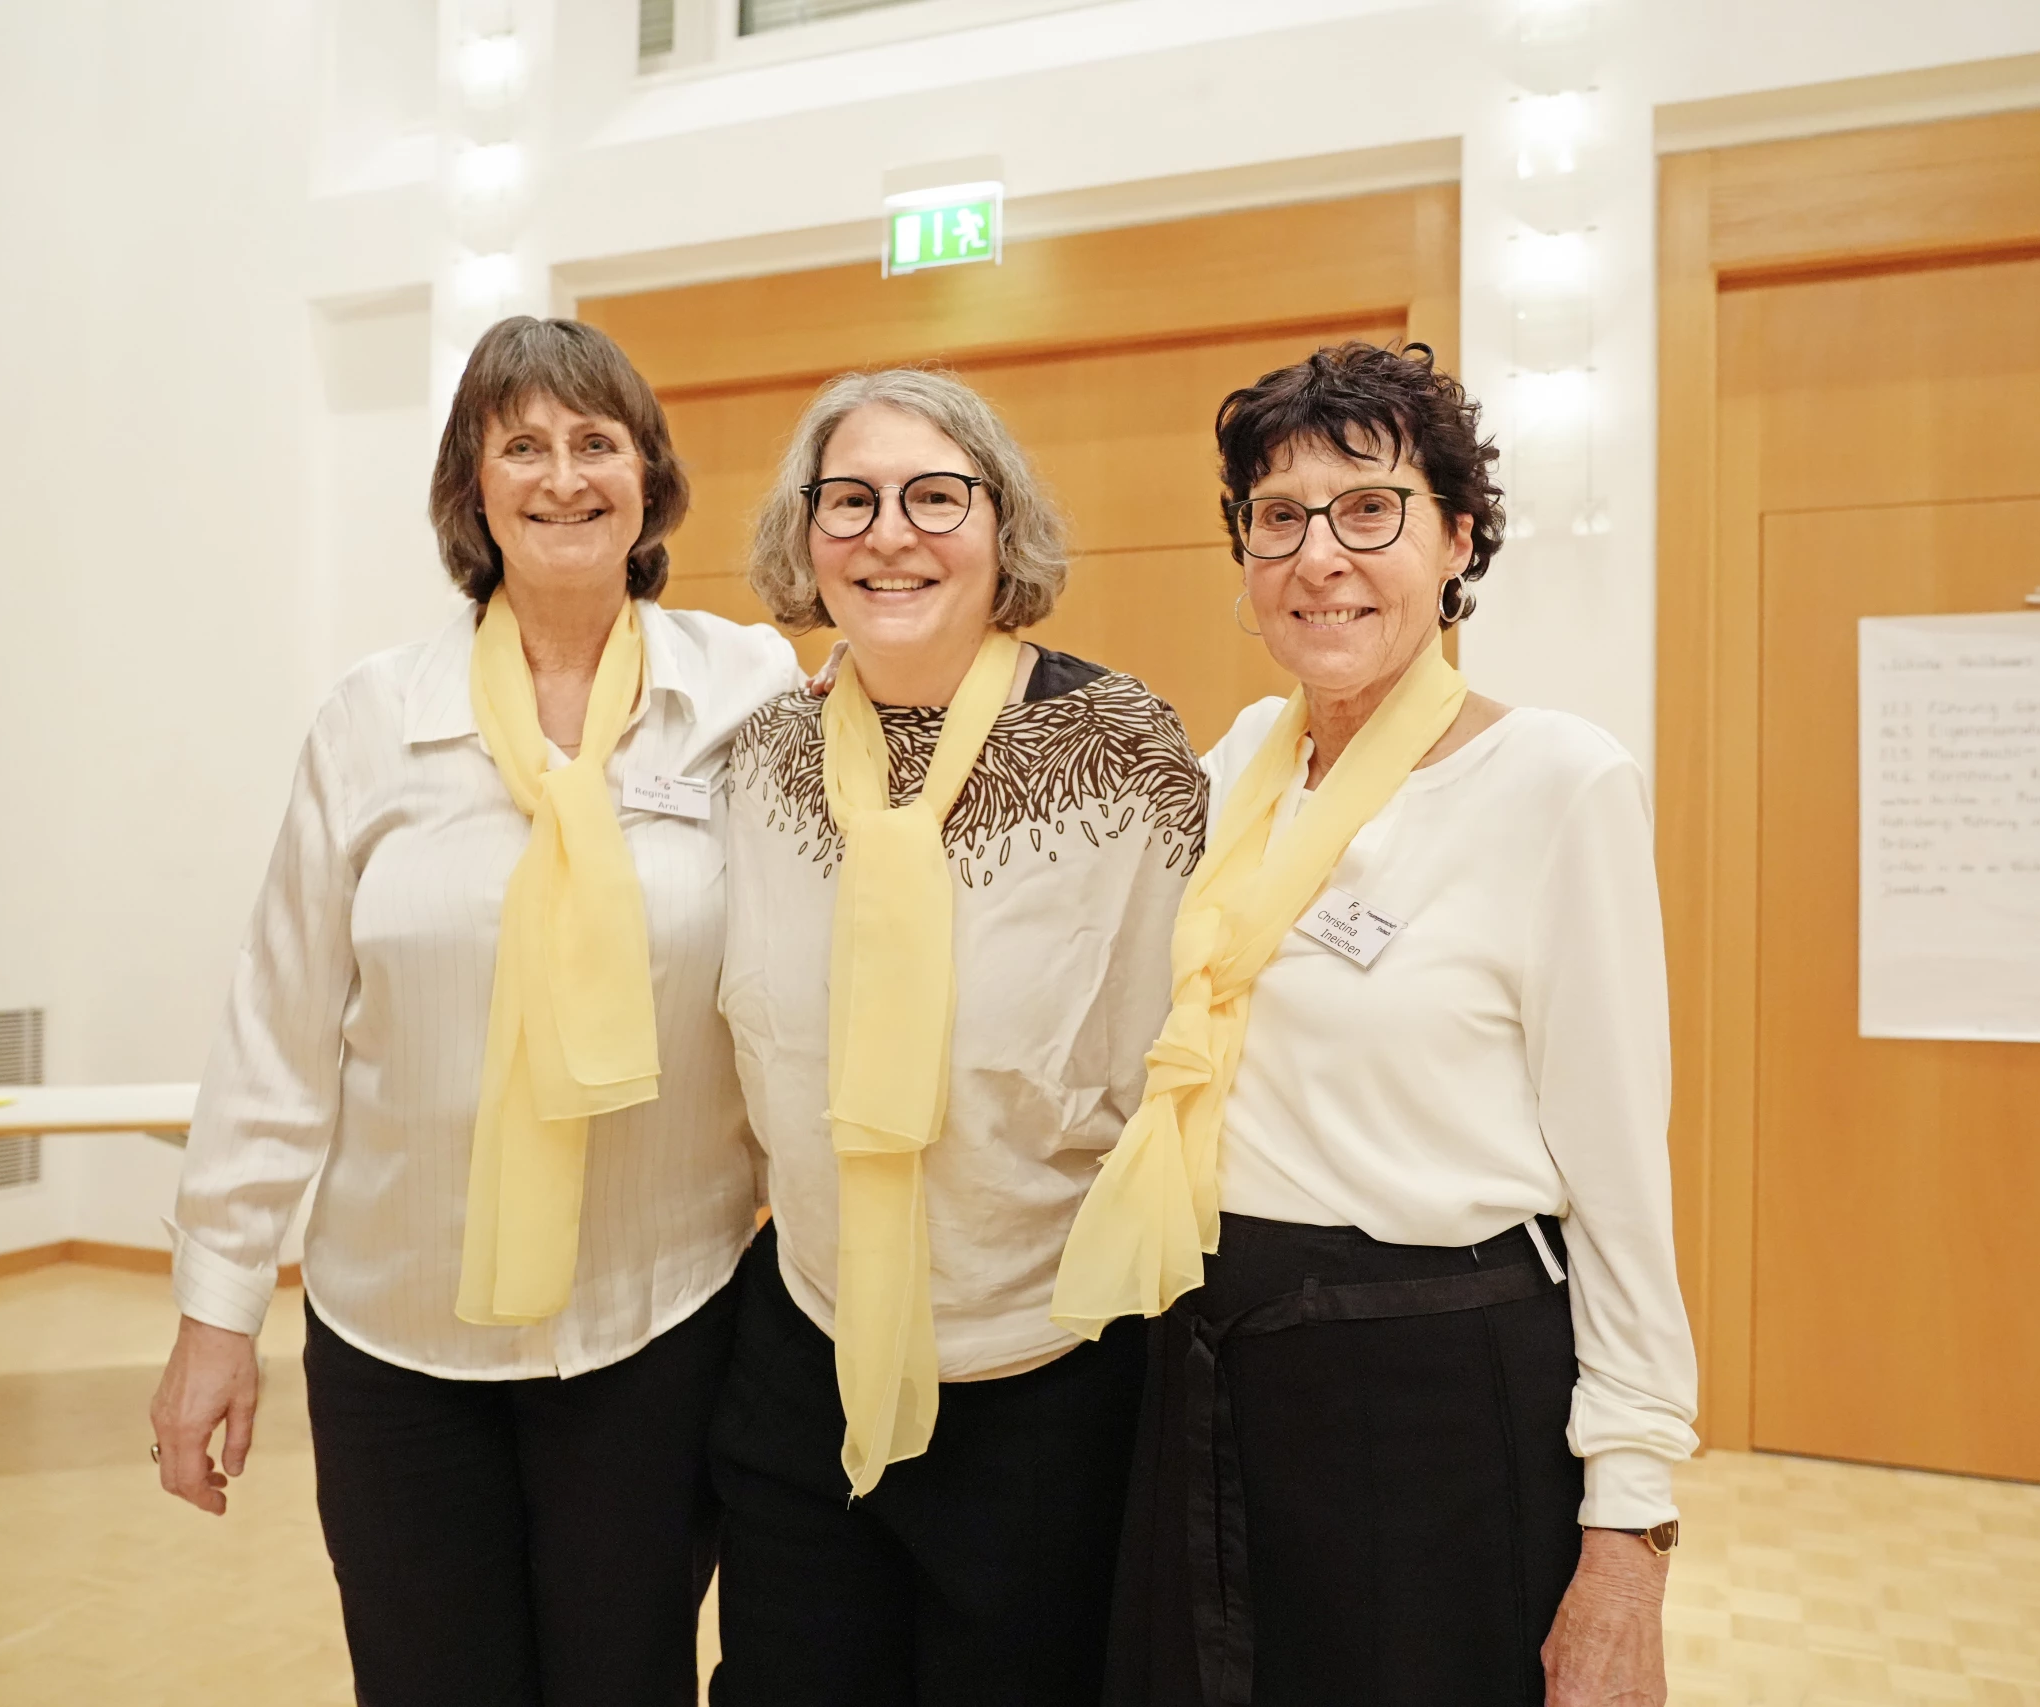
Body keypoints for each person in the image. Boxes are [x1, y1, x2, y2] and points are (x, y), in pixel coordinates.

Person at [147, 315, 799, 1707]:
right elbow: (277, 1030)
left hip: (657, 1317)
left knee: (624, 1678)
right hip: (398, 1330)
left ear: (648, 478)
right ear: (472, 487)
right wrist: (215, 1313)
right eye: (523, 447)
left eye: (596, 442)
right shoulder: (372, 719)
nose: (563, 477)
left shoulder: (743, 693)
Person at [1058, 341, 1698, 1707]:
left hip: (1433, 1390)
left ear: (1457, 539)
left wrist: (1631, 1534)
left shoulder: (1556, 782)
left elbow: (1620, 1174)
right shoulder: (1241, 762)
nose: (1319, 557)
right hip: (1214, 1362)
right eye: (1278, 517)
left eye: (1369, 510)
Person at [708, 367, 1207, 1707]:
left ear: (1002, 524)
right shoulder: (760, 757)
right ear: (807, 534)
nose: (892, 534)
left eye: (937, 496)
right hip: (806, 1356)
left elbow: (1179, 1067)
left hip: (1045, 1383)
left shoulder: (1121, 751)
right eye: (850, 500)